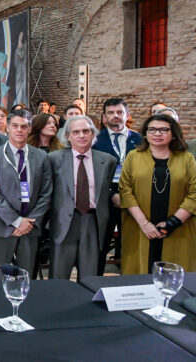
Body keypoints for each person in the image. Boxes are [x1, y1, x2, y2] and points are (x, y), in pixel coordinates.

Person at [120, 115, 196, 274]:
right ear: (145, 134)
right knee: (141, 273)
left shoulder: (187, 158)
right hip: (140, 226)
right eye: (152, 129)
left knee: (173, 275)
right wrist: (144, 224)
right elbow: (125, 191)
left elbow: (194, 193)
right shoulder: (133, 157)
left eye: (164, 129)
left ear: (173, 133)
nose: (157, 133)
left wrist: (172, 223)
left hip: (179, 227)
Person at [0, 110, 52, 280]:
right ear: (7, 127)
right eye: (15, 125)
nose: (19, 130)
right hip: (3, 227)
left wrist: (28, 222)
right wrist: (16, 221)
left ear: (30, 129)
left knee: (26, 276)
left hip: (30, 226)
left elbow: (46, 193)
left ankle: (25, 307)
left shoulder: (42, 157)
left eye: (24, 126)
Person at [48, 115, 116, 280]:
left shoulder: (108, 161)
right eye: (76, 132)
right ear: (68, 136)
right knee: (58, 274)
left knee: (90, 275)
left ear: (93, 134)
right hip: (64, 222)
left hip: (93, 221)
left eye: (86, 131)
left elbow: (110, 191)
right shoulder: (53, 159)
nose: (82, 135)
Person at [93, 98, 142, 270]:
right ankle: (95, 282)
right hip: (104, 198)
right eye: (111, 113)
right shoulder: (95, 140)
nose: (116, 116)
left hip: (134, 198)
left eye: (120, 112)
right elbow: (91, 173)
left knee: (132, 245)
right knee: (101, 244)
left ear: (127, 115)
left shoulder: (139, 139)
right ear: (104, 117)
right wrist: (110, 194)